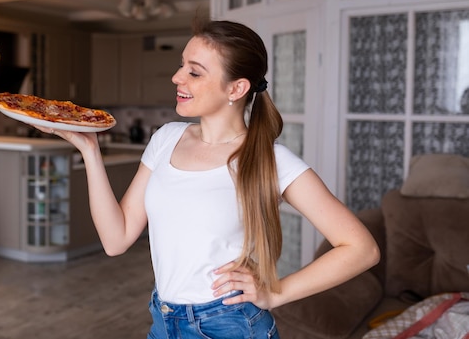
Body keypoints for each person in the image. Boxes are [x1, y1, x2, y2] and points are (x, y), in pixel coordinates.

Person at [36, 19, 380, 339]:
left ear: (237, 88)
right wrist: (90, 151)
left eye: (194, 72)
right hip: (163, 318)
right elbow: (116, 240)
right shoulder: (166, 138)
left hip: (229, 324)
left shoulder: (271, 161)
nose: (176, 77)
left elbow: (361, 248)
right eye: (182, 65)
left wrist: (277, 292)